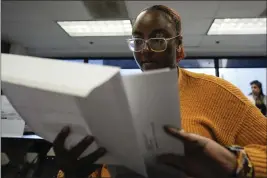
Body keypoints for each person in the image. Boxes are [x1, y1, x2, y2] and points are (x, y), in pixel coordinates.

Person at [55, 5, 267, 178]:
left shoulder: (218, 93)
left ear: (179, 46)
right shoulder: (113, 101)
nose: (145, 50)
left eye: (157, 39)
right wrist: (72, 173)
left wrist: (233, 163)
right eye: (138, 41)